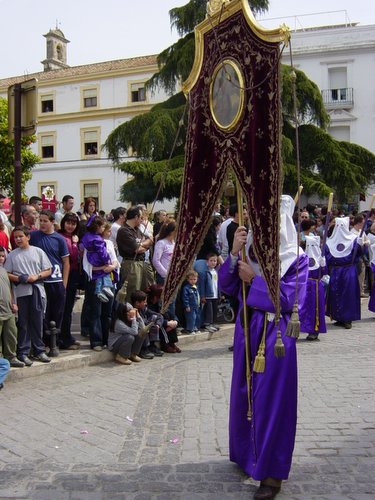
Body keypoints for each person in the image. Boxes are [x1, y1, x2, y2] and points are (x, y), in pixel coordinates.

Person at [218, 195, 308, 500]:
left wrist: (254, 280)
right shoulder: (248, 253)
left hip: (276, 336)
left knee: (272, 401)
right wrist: (233, 255)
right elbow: (227, 288)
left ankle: (272, 474)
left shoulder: (298, 260)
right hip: (248, 329)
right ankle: (247, 455)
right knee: (245, 394)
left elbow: (292, 303)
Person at [4, 226, 52, 366]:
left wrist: (36, 276)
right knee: (23, 323)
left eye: (21, 236)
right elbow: (6, 273)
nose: (18, 239)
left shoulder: (38, 252)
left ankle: (39, 350)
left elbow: (48, 270)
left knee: (37, 321)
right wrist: (19, 278)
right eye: (16, 237)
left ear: (28, 237)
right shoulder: (12, 255)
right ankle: (23, 352)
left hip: (37, 290)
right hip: (21, 292)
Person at [30, 210, 70, 350]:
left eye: (45, 221)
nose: (42, 223)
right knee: (42, 313)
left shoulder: (59, 239)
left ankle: (55, 341)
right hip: (40, 281)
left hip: (56, 281)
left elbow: (66, 262)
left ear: (52, 222)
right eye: (40, 220)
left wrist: (63, 283)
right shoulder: (34, 236)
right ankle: (43, 342)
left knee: (57, 312)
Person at [325, 217, 362, 329]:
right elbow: (328, 257)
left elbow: (358, 255)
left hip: (348, 271)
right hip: (336, 271)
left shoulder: (354, 239)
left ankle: (348, 319)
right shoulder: (330, 241)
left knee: (348, 294)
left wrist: (360, 246)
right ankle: (338, 317)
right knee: (336, 293)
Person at [116, 206, 153, 302]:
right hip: (131, 264)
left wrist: (141, 244)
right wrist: (141, 246)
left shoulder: (138, 230)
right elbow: (137, 249)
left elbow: (150, 240)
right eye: (141, 217)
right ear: (136, 217)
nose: (142, 220)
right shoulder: (124, 230)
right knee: (133, 292)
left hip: (142, 263)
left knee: (142, 292)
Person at [58, 213, 82, 350]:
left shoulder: (72, 237)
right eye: (68, 223)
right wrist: (74, 243)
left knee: (68, 309)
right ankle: (63, 339)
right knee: (64, 308)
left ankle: (68, 336)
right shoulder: (62, 237)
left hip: (73, 275)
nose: (70, 226)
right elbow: (72, 256)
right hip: (63, 274)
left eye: (73, 224)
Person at [299, 234, 327, 341]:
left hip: (315, 286)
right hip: (303, 286)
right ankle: (299, 329)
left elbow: (325, 273)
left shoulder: (320, 257)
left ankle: (314, 331)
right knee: (302, 309)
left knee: (315, 309)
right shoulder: (302, 256)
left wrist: (323, 265)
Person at [0, 248, 25, 368]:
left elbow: (9, 288)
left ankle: (11, 357)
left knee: (11, 334)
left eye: (2, 256)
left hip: (8, 310)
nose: (0, 258)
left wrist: (13, 303)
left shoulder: (4, 271)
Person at [181, 269, 201, 334]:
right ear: (188, 279)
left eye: (194, 279)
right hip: (190, 306)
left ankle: (195, 328)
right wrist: (187, 306)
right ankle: (190, 329)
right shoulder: (186, 288)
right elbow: (185, 297)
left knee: (197, 317)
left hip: (196, 306)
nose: (193, 281)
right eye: (191, 279)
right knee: (191, 318)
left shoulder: (196, 287)